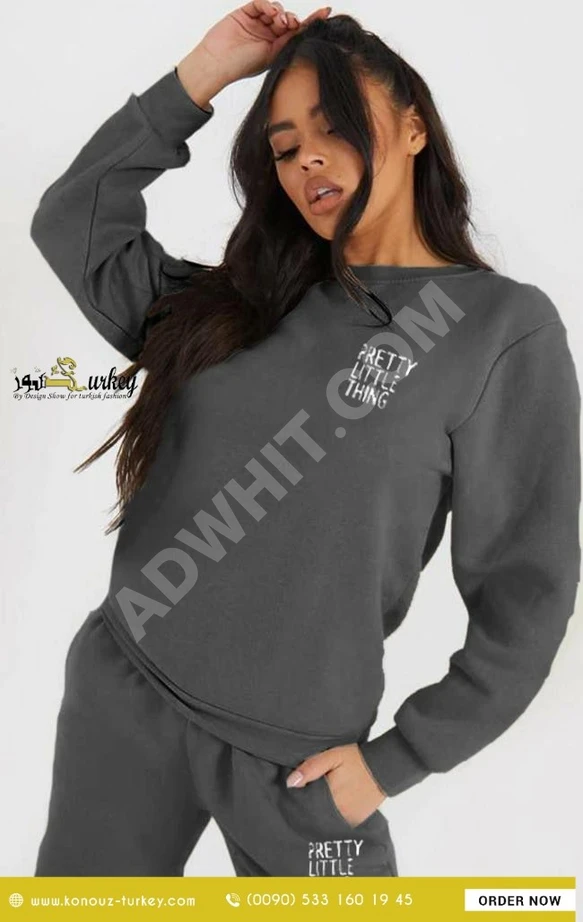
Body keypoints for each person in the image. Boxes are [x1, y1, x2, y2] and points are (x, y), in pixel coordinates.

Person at [30, 2, 581, 878]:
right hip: (126, 695)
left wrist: (396, 762)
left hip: (301, 770)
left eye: (332, 127)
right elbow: (72, 222)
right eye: (284, 148)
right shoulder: (231, 309)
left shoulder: (497, 328)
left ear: (412, 128)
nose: (307, 160)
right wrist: (207, 69)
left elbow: (527, 588)